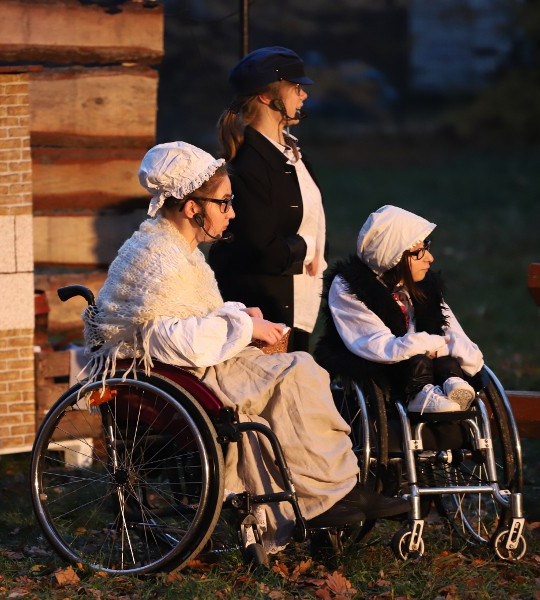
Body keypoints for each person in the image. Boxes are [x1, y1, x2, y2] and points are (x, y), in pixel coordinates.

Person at [83, 142, 407, 553]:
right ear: (190, 207)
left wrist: (239, 315)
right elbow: (172, 338)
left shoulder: (177, 250)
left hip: (189, 369)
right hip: (172, 379)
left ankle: (331, 491)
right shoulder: (158, 257)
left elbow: (193, 313)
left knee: (298, 372)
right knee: (298, 374)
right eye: (224, 203)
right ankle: (330, 494)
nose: (231, 212)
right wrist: (243, 325)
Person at [208, 46, 325, 353]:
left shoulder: (292, 154)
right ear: (265, 97)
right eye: (296, 88)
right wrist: (308, 247)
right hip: (265, 313)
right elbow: (264, 250)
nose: (304, 96)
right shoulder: (248, 165)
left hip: (297, 305)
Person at [315, 205, 484, 413]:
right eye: (419, 252)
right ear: (394, 255)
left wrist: (462, 356)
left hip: (423, 360)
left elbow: (452, 331)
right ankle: (419, 394)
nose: (430, 258)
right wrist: (433, 345)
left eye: (427, 247)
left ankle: (451, 380)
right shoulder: (350, 288)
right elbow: (378, 345)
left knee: (448, 362)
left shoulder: (421, 285)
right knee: (420, 360)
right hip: (384, 370)